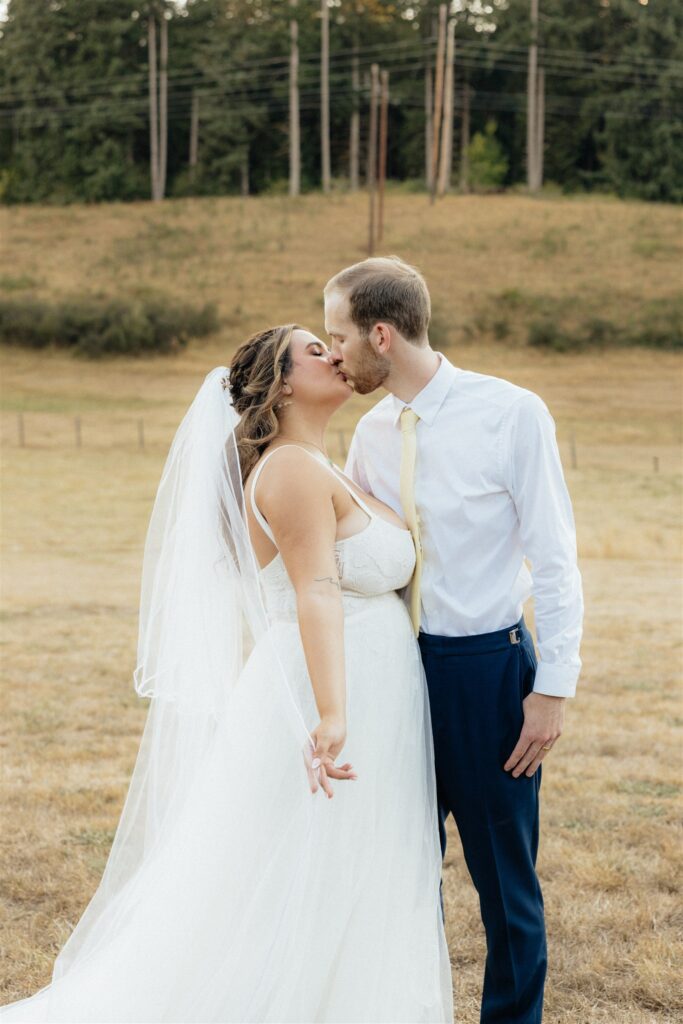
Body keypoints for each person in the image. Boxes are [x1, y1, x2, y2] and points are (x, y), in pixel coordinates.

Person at [0, 325, 453, 1023]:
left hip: (372, 690)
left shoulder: (320, 464)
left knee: (347, 872)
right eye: (314, 350)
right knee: (302, 874)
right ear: (278, 386)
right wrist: (332, 715)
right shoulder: (291, 470)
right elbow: (316, 591)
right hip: (327, 693)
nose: (334, 355)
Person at [324, 256, 584, 1024]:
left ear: (380, 333)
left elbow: (555, 558)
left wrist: (552, 689)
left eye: (338, 337)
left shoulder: (511, 413)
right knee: (403, 868)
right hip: (395, 672)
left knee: (504, 882)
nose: (332, 352)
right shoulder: (370, 434)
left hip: (487, 672)